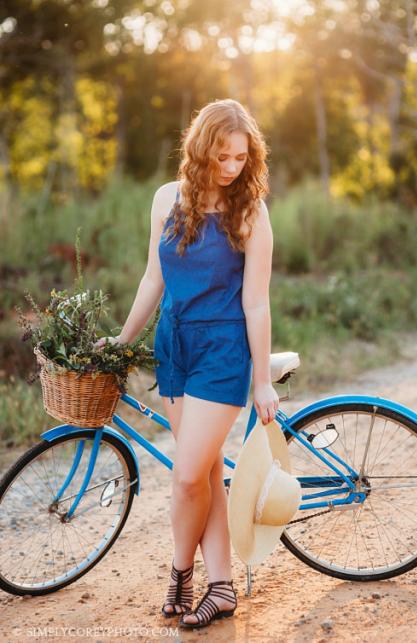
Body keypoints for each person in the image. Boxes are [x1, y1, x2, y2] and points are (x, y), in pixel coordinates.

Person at [96, 98, 278, 628]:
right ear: (199, 150)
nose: (230, 168)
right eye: (221, 156)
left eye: (241, 158)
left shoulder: (251, 210)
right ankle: (220, 586)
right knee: (204, 475)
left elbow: (256, 302)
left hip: (223, 354)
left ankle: (180, 572)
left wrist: (262, 380)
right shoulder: (164, 200)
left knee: (184, 477)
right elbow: (153, 278)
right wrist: (124, 339)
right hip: (173, 345)